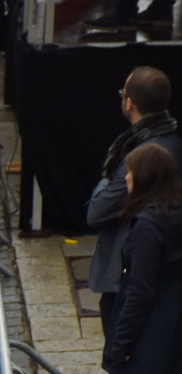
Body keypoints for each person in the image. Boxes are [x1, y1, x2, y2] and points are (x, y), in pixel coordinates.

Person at [104, 144, 182, 374]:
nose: (127, 179)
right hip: (167, 329)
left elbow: (140, 289)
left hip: (152, 334)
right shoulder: (170, 217)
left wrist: (122, 344)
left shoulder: (150, 226)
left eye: (131, 172)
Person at [88, 68, 182, 341]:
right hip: (156, 271)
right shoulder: (173, 140)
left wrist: (107, 177)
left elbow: (97, 211)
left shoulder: (141, 153)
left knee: (123, 362)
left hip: (128, 276)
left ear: (130, 102)